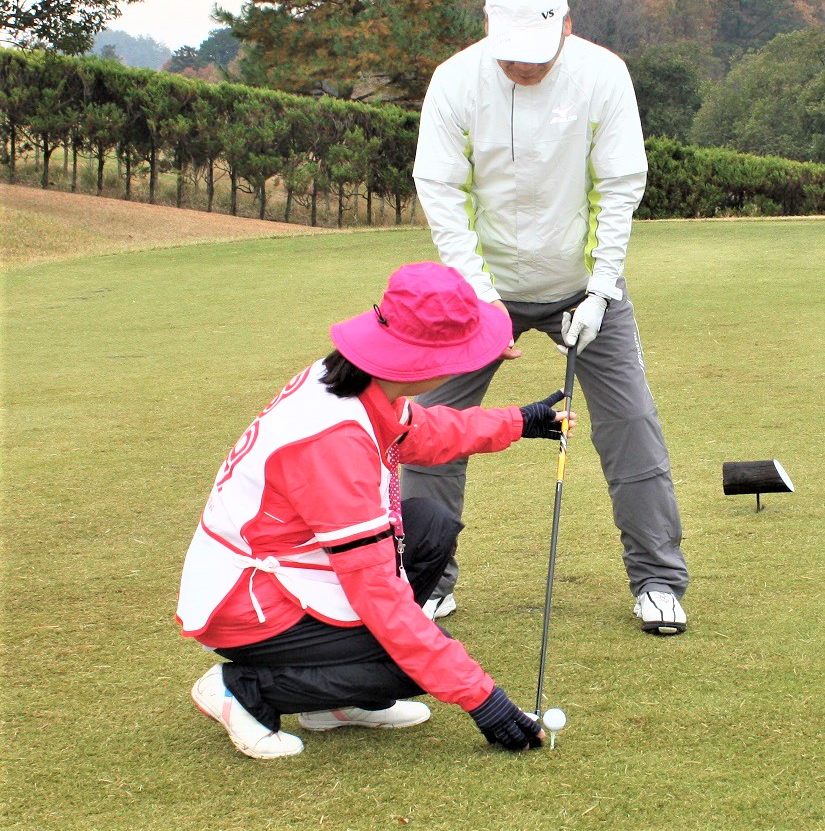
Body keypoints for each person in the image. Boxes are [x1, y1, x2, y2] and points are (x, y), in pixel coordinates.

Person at [177, 261, 572, 759]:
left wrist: (520, 422)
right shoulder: (334, 441)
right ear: (429, 361)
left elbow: (420, 432)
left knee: (429, 526)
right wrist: (483, 699)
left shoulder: (355, 380)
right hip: (247, 604)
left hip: (290, 567)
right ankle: (241, 688)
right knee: (409, 660)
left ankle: (337, 705)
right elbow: (379, 596)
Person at [404, 0, 689, 636]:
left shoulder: (601, 75)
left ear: (566, 23)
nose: (521, 69)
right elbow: (441, 191)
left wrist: (598, 291)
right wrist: (480, 298)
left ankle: (656, 580)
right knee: (425, 432)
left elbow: (618, 185)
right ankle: (423, 579)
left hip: (583, 289)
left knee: (631, 428)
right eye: (509, 56)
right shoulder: (455, 81)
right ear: (487, 27)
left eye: (535, 55)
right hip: (478, 294)